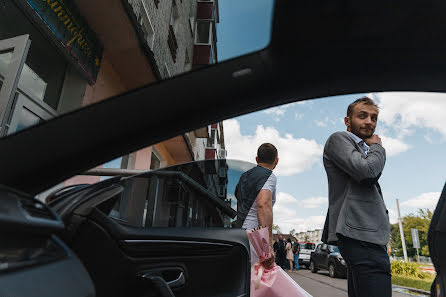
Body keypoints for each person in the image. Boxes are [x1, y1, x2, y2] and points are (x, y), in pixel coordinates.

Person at [321, 97, 390, 297]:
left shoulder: (361, 149)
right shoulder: (339, 139)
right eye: (362, 116)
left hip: (364, 235)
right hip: (361, 236)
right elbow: (367, 172)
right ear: (347, 120)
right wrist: (377, 146)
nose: (369, 121)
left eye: (374, 118)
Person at [235, 143, 279, 269]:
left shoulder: (244, 176)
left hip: (239, 234)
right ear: (276, 161)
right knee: (258, 281)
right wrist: (268, 245)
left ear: (257, 159)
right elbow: (263, 204)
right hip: (254, 237)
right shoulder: (269, 176)